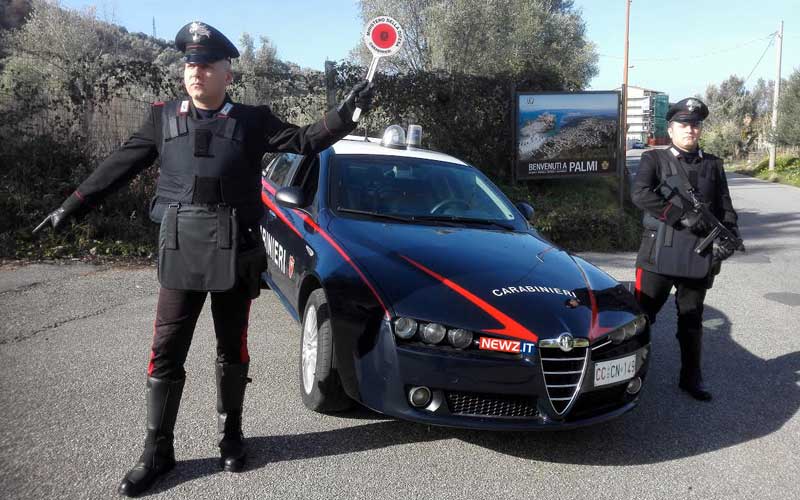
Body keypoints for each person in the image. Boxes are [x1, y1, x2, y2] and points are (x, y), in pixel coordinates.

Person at [34, 21, 374, 497]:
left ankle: (230, 435)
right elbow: (118, 164)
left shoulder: (253, 120)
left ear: (227, 73)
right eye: (190, 64)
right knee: (166, 350)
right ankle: (156, 450)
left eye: (206, 64)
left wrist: (346, 115)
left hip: (235, 253)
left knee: (230, 348)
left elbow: (305, 141)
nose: (196, 72)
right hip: (179, 252)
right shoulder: (161, 118)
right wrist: (71, 206)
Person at [631, 97, 740, 402]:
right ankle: (629, 374)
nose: (691, 130)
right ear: (672, 128)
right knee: (641, 318)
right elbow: (639, 194)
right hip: (657, 256)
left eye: (695, 125)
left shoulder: (713, 164)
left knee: (691, 319)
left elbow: (725, 208)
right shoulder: (654, 159)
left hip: (697, 255)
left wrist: (729, 238)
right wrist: (680, 215)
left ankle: (691, 377)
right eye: (684, 124)